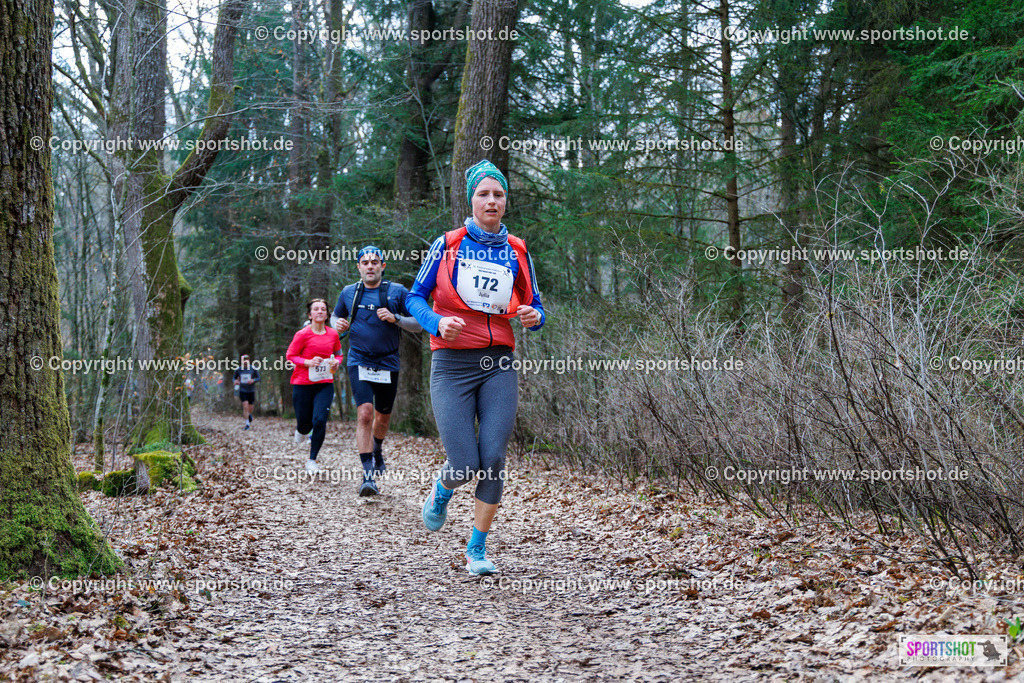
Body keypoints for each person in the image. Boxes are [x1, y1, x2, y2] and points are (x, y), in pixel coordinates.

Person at [405, 160, 545, 576]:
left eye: (498, 194)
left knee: (494, 457)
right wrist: (436, 322)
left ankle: (477, 549)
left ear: (506, 201)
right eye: (484, 194)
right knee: (465, 463)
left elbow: (535, 305)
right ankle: (442, 489)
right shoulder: (448, 244)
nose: (491, 201)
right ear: (472, 200)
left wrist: (534, 316)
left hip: (498, 363)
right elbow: (413, 298)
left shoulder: (517, 249)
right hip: (451, 365)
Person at [331, 245, 422, 497]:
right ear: (358, 267)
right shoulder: (349, 292)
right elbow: (334, 317)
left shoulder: (398, 291)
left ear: (383, 266)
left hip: (388, 362)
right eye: (365, 262)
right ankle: (368, 476)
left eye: (374, 262)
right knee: (364, 414)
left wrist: (396, 319)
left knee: (382, 418)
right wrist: (337, 324)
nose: (370, 266)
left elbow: (419, 324)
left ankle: (377, 448)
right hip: (359, 360)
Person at [286, 299, 343, 474]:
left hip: (324, 384)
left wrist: (336, 363)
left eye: (323, 309)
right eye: (316, 309)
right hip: (303, 384)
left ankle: (312, 460)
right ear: (310, 315)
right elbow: (291, 355)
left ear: (327, 315)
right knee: (304, 423)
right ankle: (301, 430)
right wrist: (308, 362)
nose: (320, 311)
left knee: (319, 420)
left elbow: (339, 354)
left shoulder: (333, 334)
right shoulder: (302, 334)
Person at [233, 355, 260, 430]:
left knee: (250, 407)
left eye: (246, 359)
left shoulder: (253, 368)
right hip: (242, 390)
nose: (245, 361)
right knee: (245, 406)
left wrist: (253, 380)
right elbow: (234, 378)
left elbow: (258, 378)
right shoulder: (238, 369)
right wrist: (235, 381)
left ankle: (249, 414)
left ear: (249, 360)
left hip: (251, 390)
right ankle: (247, 424)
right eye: (243, 360)